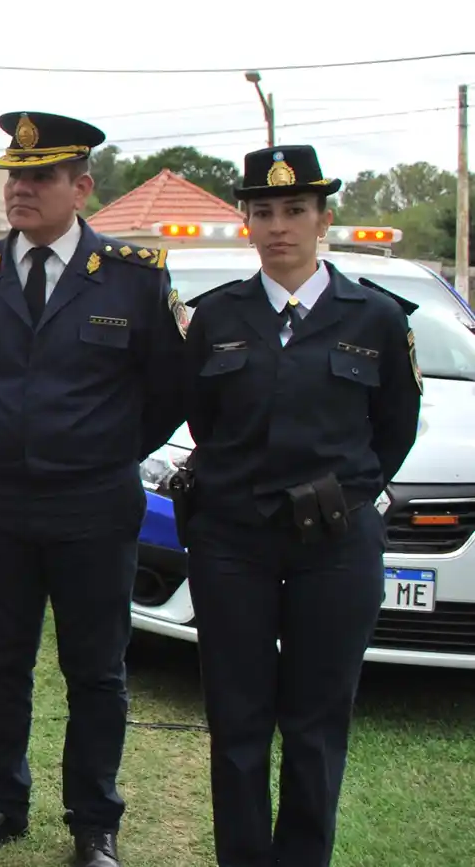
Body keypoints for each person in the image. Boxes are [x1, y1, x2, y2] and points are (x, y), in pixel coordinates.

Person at [0, 112, 189, 867]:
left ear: (81, 187)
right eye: (15, 176)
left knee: (97, 670)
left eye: (40, 177)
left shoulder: (137, 278)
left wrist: (96, 450)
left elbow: (167, 391)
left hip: (94, 507)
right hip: (2, 506)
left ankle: (94, 821)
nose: (22, 190)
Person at [180, 145, 421, 867]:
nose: (278, 226)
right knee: (238, 719)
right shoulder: (215, 317)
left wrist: (339, 490)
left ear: (324, 219)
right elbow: (202, 421)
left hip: (335, 544)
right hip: (234, 542)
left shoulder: (376, 317)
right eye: (263, 212)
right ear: (246, 223)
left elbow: (395, 430)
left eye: (294, 211)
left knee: (316, 723)